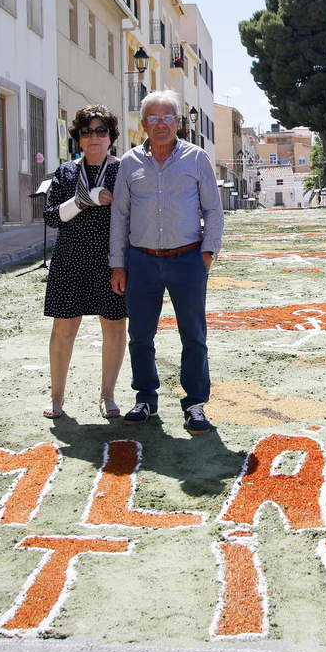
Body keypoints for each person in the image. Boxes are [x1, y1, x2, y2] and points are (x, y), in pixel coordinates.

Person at [109, 89, 224, 435]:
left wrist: (207, 254)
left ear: (178, 122)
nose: (161, 124)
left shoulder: (197, 158)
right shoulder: (129, 163)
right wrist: (118, 264)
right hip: (141, 262)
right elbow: (120, 216)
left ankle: (195, 404)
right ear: (143, 123)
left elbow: (213, 211)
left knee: (194, 334)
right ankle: (145, 398)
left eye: (168, 117)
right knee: (140, 334)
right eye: (154, 118)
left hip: (187, 259)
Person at [41, 105, 128, 419]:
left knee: (115, 328)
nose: (94, 136)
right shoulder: (66, 172)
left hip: (111, 263)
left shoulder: (123, 170)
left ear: (110, 138)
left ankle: (107, 395)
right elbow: (51, 216)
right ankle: (56, 398)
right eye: (87, 131)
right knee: (63, 328)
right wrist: (83, 200)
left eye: (101, 131)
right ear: (78, 138)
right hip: (70, 261)